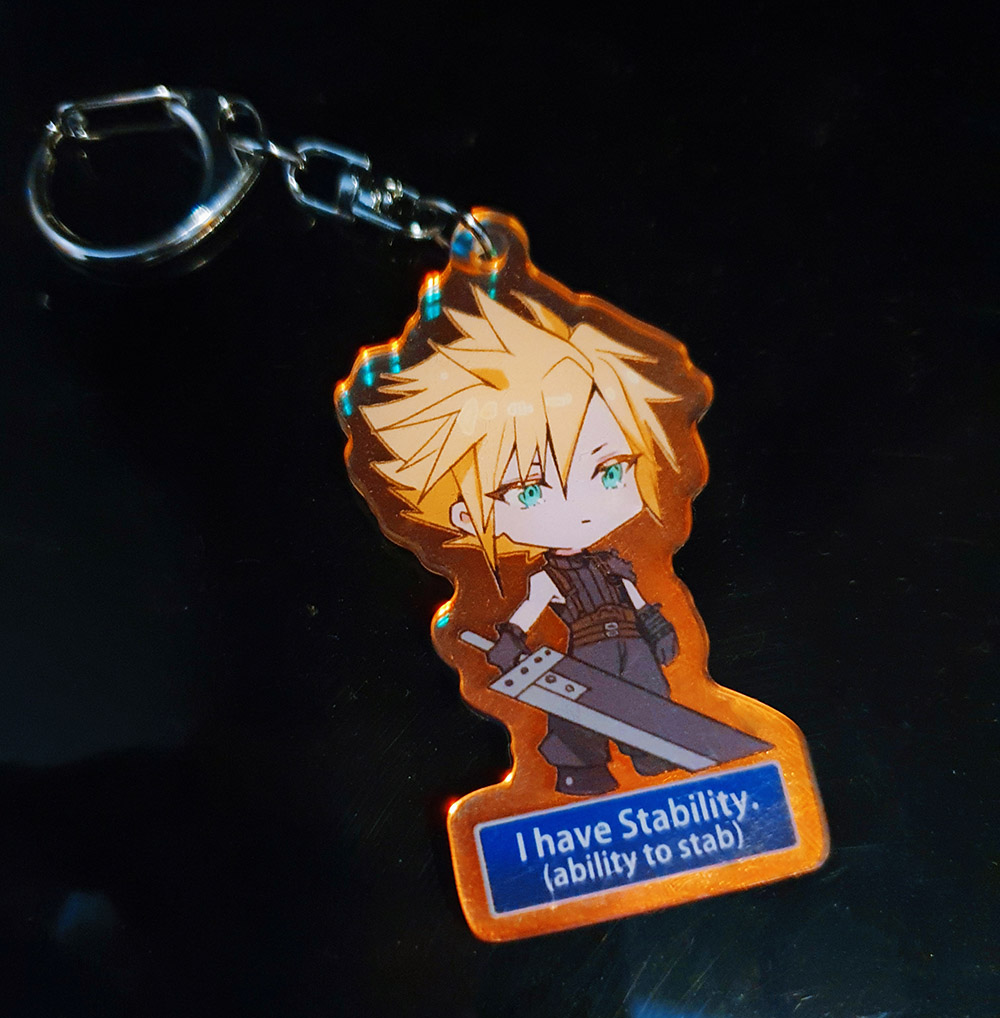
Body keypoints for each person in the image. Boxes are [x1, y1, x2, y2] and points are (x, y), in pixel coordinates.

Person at [362, 287, 687, 795]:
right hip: (591, 648)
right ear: (468, 516)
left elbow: (635, 595)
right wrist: (511, 642)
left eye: (608, 471)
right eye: (530, 491)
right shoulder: (547, 577)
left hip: (633, 643)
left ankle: (655, 753)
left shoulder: (614, 562)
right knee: (576, 707)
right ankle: (581, 770)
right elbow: (529, 610)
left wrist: (656, 625)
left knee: (649, 693)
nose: (577, 508)